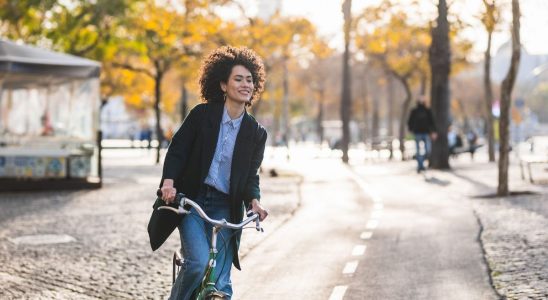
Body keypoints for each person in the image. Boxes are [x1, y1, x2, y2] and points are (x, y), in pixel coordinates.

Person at [159, 46, 269, 300]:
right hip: (192, 201)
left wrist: (254, 201)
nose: (245, 85)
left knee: (221, 284)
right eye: (238, 79)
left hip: (225, 206)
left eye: (249, 80)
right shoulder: (202, 115)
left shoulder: (256, 133)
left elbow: (251, 176)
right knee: (197, 264)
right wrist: (169, 183)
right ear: (223, 84)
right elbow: (178, 150)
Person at [407, 96, 437, 173]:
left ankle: (421, 163)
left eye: (423, 98)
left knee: (428, 151)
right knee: (418, 151)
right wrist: (410, 129)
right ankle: (420, 166)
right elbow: (410, 121)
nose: (421, 100)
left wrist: (433, 132)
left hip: (426, 133)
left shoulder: (427, 110)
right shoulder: (414, 111)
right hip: (417, 133)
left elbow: (432, 122)